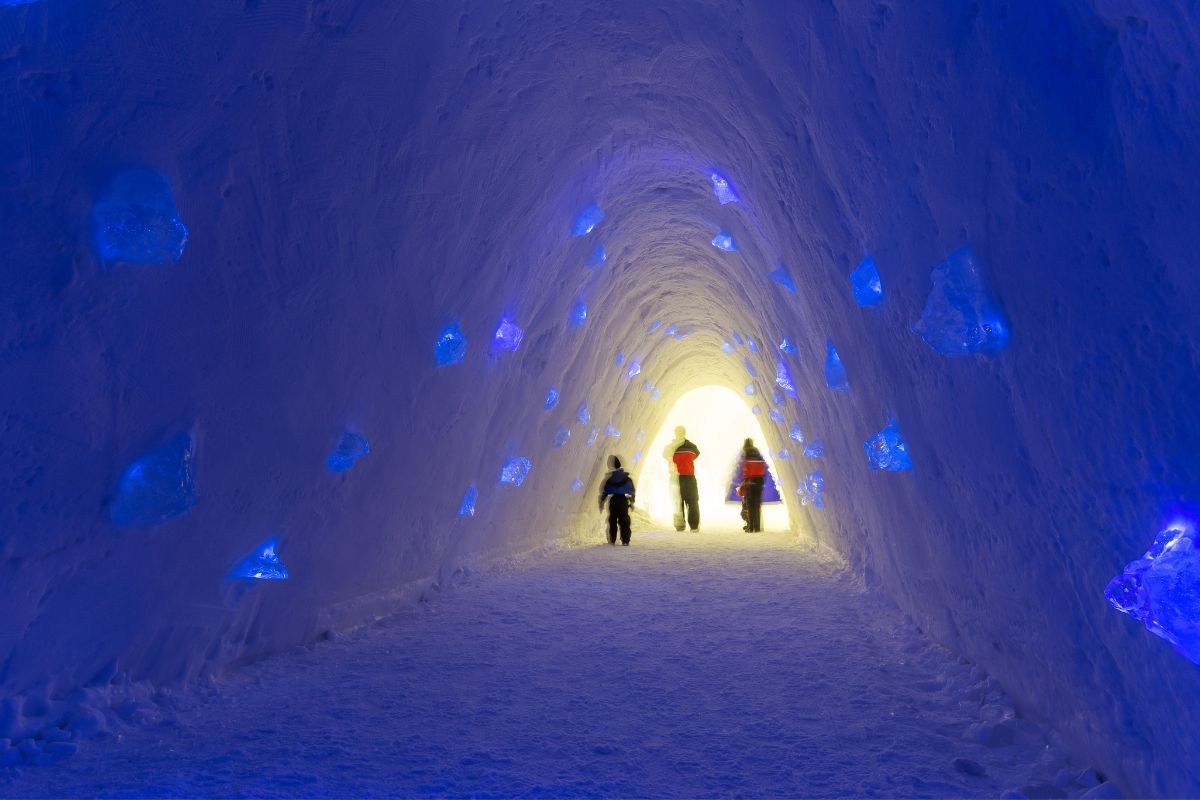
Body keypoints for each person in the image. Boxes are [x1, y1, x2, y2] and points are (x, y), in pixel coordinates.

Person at [662, 426, 700, 531]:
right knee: (692, 501)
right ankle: (694, 526)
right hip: (689, 477)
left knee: (677, 501)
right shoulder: (692, 447)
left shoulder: (669, 447)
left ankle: (679, 526)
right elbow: (696, 455)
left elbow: (664, 455)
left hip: (675, 477)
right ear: (684, 432)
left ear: (675, 433)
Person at [598, 455, 636, 546]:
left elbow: (605, 491)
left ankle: (612, 539)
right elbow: (632, 491)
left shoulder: (610, 479)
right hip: (623, 501)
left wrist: (602, 502)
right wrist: (632, 501)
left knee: (613, 520)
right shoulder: (627, 478)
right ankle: (625, 540)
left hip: (613, 500)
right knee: (624, 520)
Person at [740, 438, 767, 532]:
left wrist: (746, 481)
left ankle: (751, 527)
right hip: (760, 480)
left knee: (751, 505)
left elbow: (747, 470)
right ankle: (757, 527)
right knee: (757, 505)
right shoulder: (758, 453)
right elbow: (763, 467)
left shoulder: (747, 454)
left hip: (751, 481)